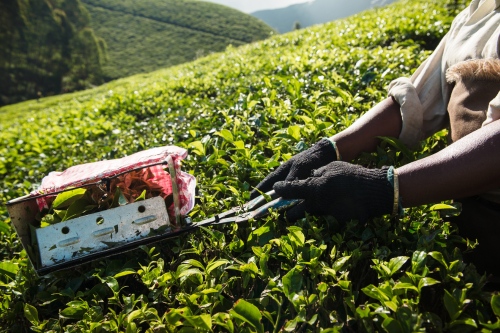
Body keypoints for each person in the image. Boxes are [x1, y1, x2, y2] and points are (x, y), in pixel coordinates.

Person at [252, 0, 500, 277]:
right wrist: (331, 148)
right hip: (458, 210)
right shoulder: (479, 11)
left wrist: (382, 188)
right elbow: (418, 98)